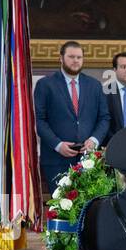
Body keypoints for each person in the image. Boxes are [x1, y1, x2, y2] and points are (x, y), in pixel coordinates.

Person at [34, 41, 111, 188]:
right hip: (56, 160)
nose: (75, 60)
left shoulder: (94, 85)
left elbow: (104, 118)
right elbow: (38, 120)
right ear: (61, 58)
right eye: (71, 57)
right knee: (60, 208)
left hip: (88, 160)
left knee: (88, 208)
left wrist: (94, 140)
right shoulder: (45, 84)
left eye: (79, 57)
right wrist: (58, 144)